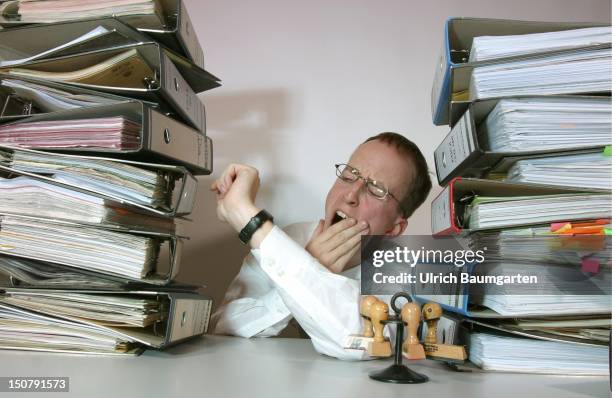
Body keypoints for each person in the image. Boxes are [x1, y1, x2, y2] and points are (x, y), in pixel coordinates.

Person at [210, 132, 432, 360]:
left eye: (376, 189)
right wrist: (310, 264)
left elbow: (360, 343)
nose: (351, 194)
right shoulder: (290, 237)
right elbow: (223, 324)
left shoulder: (406, 273)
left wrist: (305, 271)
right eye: (348, 175)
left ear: (393, 229)